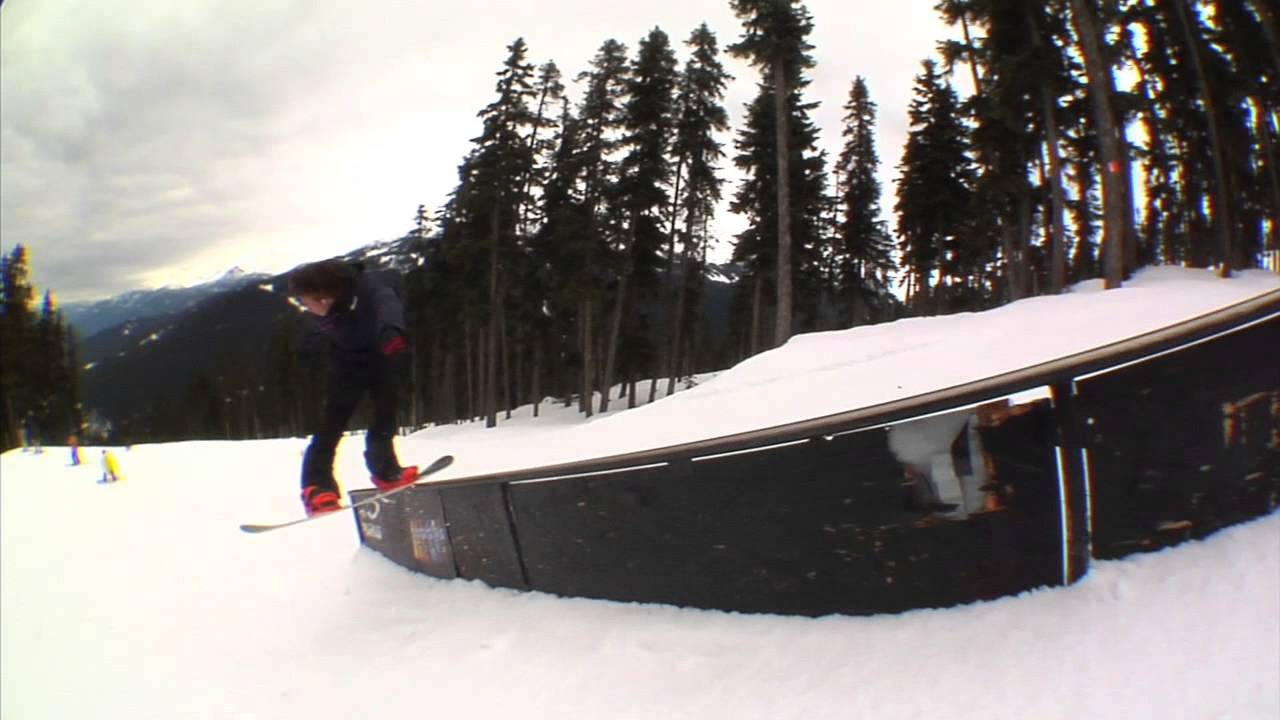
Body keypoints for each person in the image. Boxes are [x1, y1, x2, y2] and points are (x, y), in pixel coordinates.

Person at [288, 259, 418, 516]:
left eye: (306, 301)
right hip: (347, 362)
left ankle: (386, 471)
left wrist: (392, 331)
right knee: (332, 423)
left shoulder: (369, 288)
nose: (305, 307)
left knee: (385, 414)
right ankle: (317, 487)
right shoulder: (326, 311)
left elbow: (387, 304)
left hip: (383, 352)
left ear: (323, 297)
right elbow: (316, 335)